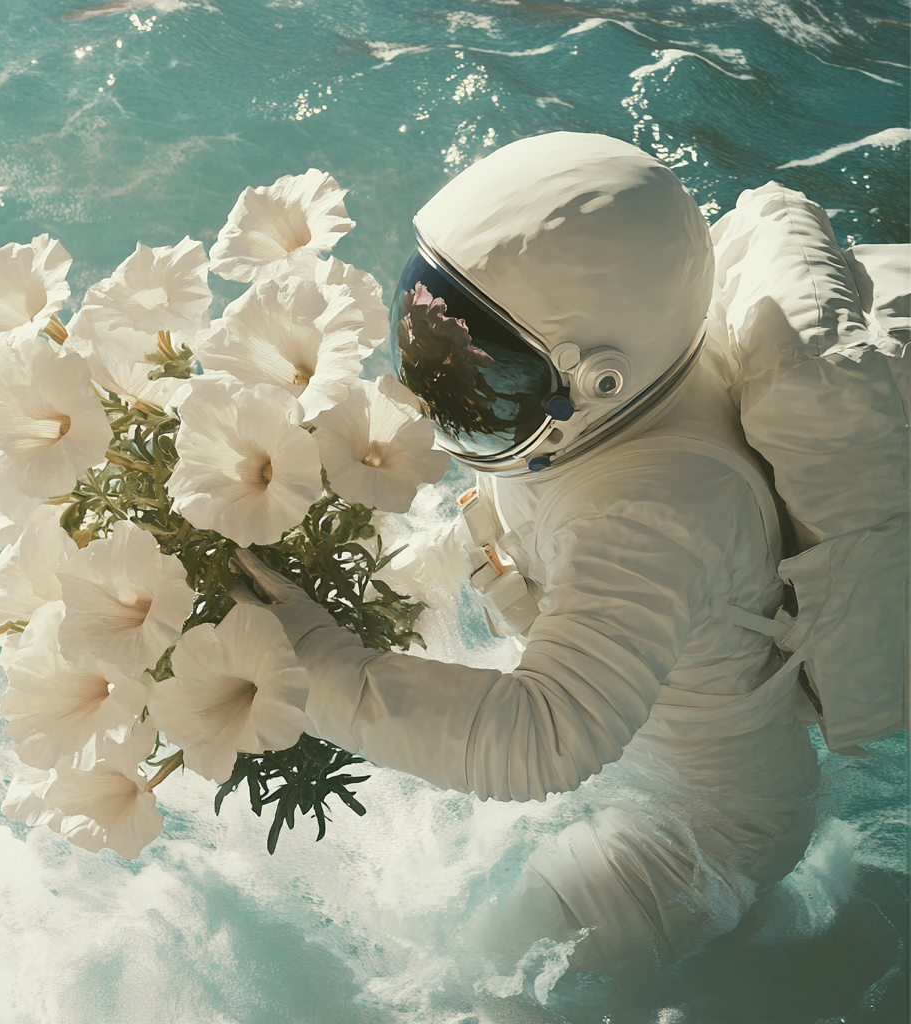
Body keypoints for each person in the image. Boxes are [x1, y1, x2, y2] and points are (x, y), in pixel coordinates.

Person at [233, 131, 898, 970]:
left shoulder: (657, 508)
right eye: (425, 337)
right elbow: (515, 517)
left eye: (483, 381)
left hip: (704, 826)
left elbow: (546, 738)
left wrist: (312, 666)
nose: (431, 390)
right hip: (657, 752)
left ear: (602, 381)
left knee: (487, 986)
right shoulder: (607, 424)